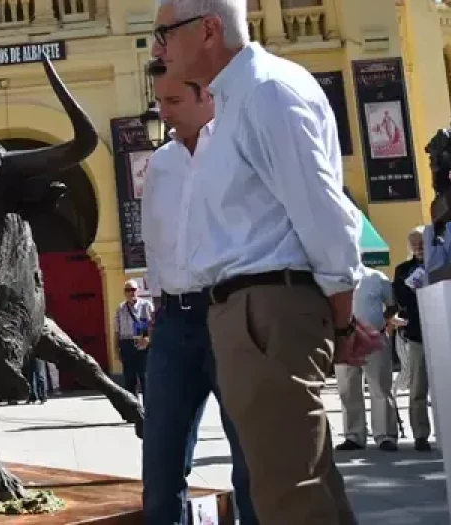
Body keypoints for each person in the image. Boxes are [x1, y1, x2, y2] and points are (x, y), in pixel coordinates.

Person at [152, 1, 381, 523]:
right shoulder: (240, 99)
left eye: (164, 32)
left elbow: (323, 213)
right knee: (290, 485)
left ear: (208, 29)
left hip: (267, 309)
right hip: (248, 312)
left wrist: (342, 318)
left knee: (289, 494)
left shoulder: (265, 93)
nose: (158, 47)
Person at [138, 57, 256, 525]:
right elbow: (153, 239)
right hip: (173, 321)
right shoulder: (160, 164)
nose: (163, 112)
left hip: (230, 313)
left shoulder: (237, 147)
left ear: (206, 95)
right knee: (161, 459)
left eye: (172, 100)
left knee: (248, 460)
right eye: (159, 101)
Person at [335, 266, 400, 452]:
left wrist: (380, 321)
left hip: (375, 338)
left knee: (380, 387)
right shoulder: (334, 277)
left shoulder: (377, 277)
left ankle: (386, 435)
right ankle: (354, 436)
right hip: (345, 340)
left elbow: (392, 305)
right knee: (347, 389)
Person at [393, 226, 433, 452]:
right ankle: (420, 434)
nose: (418, 248)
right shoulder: (402, 270)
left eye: (422, 244)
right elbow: (402, 299)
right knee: (418, 387)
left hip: (443, 331)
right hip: (417, 334)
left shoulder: (440, 263)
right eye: (414, 244)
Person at [114, 279, 153, 398]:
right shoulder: (120, 308)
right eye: (127, 290)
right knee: (129, 380)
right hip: (126, 344)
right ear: (124, 292)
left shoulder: (146, 305)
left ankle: (148, 412)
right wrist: (116, 350)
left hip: (143, 344)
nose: (131, 292)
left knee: (145, 378)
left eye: (133, 289)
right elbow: (116, 331)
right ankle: (134, 411)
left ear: (138, 290)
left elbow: (153, 326)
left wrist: (148, 339)